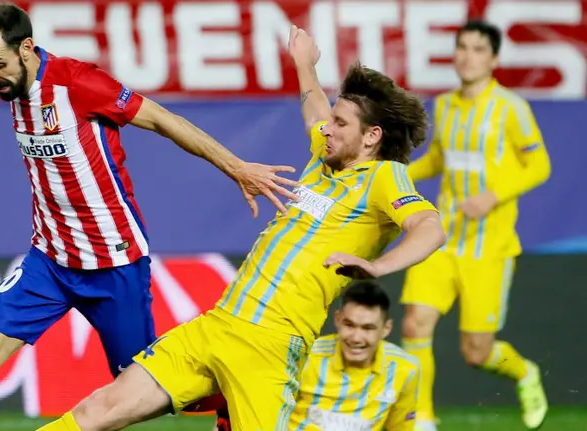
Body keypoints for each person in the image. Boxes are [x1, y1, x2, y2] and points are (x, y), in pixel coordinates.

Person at [36, 25, 446, 431]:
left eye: (340, 124)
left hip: (270, 346)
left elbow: (429, 226)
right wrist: (305, 63)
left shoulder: (383, 177)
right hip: (218, 324)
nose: (328, 129)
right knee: (99, 410)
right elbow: (316, 109)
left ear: (372, 136)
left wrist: (378, 267)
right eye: (332, 122)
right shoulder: (327, 156)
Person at [0, 3, 300, 431]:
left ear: (26, 48)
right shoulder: (17, 89)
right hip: (50, 261)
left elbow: (163, 119)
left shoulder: (78, 83)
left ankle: (227, 400)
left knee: (147, 389)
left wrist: (237, 167)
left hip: (114, 264)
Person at [399, 20, 551, 431]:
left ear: (494, 59)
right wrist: (397, 174)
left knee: (477, 352)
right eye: (462, 47)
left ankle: (524, 374)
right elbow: (438, 161)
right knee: (415, 322)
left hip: (489, 248)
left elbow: (539, 164)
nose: (468, 56)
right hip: (441, 239)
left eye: (478, 49)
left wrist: (493, 195)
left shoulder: (511, 108)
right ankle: (422, 420)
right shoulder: (445, 105)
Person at [290, 281, 420, 431]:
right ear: (337, 320)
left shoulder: (404, 369)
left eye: (368, 328)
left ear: (386, 328)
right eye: (349, 325)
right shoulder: (307, 355)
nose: (356, 338)